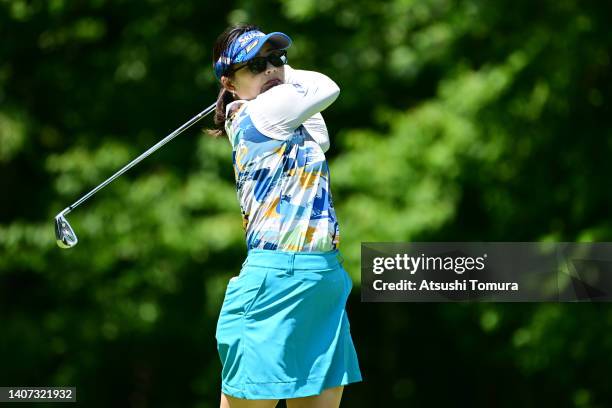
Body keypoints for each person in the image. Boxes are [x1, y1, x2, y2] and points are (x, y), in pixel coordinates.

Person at [210, 23, 362, 408]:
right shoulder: (261, 112)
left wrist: (270, 74)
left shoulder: (279, 112)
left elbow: (321, 137)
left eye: (276, 58)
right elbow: (328, 87)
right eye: (256, 65)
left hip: (321, 279)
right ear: (228, 83)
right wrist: (284, 75)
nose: (270, 69)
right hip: (274, 284)